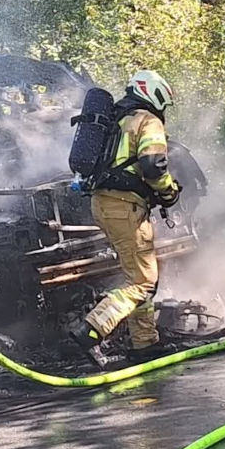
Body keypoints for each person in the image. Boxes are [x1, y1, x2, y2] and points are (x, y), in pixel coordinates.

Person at [69, 71, 184, 366]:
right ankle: (91, 330)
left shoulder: (117, 121)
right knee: (144, 283)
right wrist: (169, 191)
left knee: (139, 277)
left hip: (103, 204)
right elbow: (153, 165)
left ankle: (145, 344)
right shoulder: (148, 121)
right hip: (125, 207)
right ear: (154, 95)